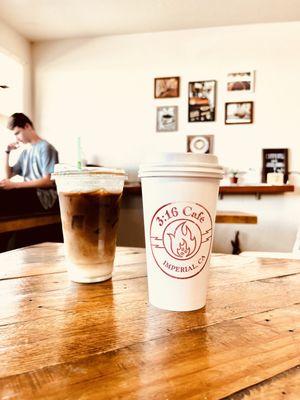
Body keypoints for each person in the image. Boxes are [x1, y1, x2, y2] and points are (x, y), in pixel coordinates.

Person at [0, 112, 59, 212]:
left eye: (17, 133)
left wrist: (14, 185)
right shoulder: (26, 153)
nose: (16, 138)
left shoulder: (46, 148)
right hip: (30, 193)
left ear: (27, 126)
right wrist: (7, 152)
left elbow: (48, 181)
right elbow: (8, 175)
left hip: (44, 197)